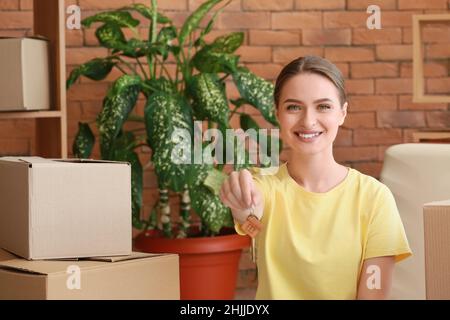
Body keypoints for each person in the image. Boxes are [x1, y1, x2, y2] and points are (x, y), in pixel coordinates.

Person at [219, 56, 412, 300]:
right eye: (293, 107)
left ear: (342, 113)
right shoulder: (263, 186)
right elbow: (252, 222)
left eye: (323, 106)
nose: (308, 121)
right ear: (277, 113)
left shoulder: (374, 198)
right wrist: (245, 210)